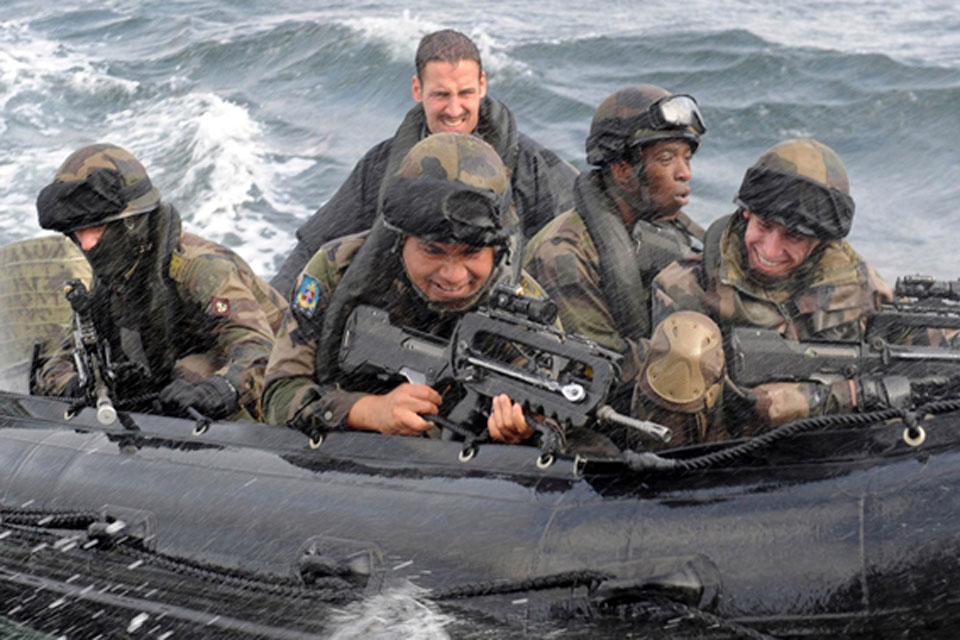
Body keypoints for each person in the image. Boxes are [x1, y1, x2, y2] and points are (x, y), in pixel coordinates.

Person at [262, 133, 545, 443]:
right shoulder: (339, 270)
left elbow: (564, 424)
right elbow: (278, 395)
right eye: (433, 251)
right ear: (400, 239)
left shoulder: (523, 305)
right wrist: (365, 411)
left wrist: (524, 431)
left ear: (497, 249)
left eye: (471, 253)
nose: (452, 274)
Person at [270, 28, 577, 298]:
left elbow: (578, 237)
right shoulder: (382, 166)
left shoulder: (532, 167)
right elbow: (314, 245)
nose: (454, 109)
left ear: (482, 86)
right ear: (418, 90)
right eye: (441, 94)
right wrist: (274, 316)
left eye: (466, 93)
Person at [642, 138, 895, 442]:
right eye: (764, 225)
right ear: (747, 213)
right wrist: (832, 397)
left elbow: (913, 353)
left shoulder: (861, 288)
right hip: (709, 454)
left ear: (822, 240)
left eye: (794, 236)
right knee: (686, 342)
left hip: (827, 448)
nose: (770, 250)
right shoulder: (684, 287)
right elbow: (697, 409)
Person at [34, 143, 286, 421]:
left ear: (133, 222)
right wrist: (78, 386)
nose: (87, 244)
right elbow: (67, 354)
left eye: (96, 228)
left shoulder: (199, 268)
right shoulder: (116, 273)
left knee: (190, 372)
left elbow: (260, 350)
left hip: (275, 385)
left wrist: (215, 391)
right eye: (76, 232)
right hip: (170, 386)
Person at [523, 84, 707, 409]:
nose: (685, 173)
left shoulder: (659, 226)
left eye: (687, 157)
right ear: (622, 171)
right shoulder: (563, 253)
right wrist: (703, 352)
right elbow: (597, 368)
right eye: (666, 159)